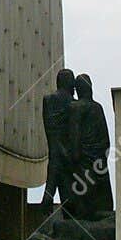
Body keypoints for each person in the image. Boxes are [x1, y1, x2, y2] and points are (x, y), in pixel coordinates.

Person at [68, 73, 113, 218]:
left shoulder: (75, 107)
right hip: (98, 160)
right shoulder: (97, 108)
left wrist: (74, 158)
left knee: (84, 202)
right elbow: (106, 140)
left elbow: (74, 136)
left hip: (84, 162)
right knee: (102, 200)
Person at [39, 69, 78, 211]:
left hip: (54, 150)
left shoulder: (48, 100)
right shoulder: (75, 105)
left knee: (54, 175)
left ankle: (48, 196)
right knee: (71, 199)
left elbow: (49, 127)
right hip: (70, 156)